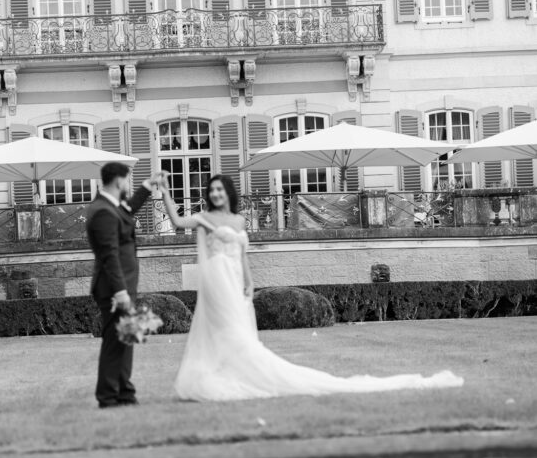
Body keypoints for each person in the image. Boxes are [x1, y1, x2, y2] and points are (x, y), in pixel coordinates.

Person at [157, 172, 464, 402]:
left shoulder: (237, 221)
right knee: (221, 329)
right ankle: (219, 373)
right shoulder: (204, 217)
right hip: (216, 280)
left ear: (229, 193)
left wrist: (250, 283)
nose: (216, 194)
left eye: (220, 189)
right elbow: (176, 221)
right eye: (212, 191)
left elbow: (242, 255)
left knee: (237, 330)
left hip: (234, 279)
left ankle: (235, 371)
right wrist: (166, 189)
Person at [85, 162, 162, 408]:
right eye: (127, 181)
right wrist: (120, 293)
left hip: (124, 287)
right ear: (119, 181)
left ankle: (124, 392)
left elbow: (127, 212)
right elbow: (109, 254)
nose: (127, 185)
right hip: (113, 289)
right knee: (114, 343)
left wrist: (147, 187)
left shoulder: (111, 207)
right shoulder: (103, 211)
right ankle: (108, 396)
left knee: (126, 338)